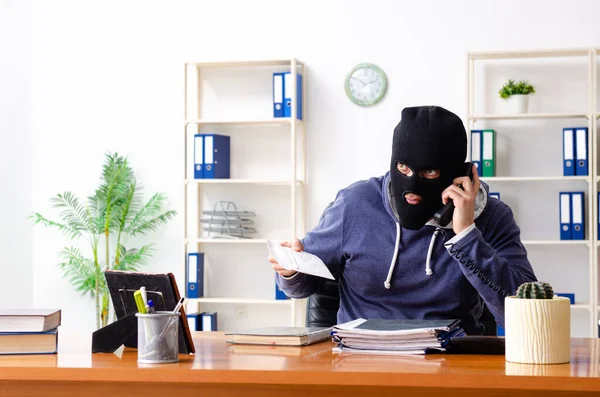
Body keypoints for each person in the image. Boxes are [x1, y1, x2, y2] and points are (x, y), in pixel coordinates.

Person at [269, 105, 537, 335]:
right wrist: (291, 270)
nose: (411, 183)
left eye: (429, 172)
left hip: (451, 361)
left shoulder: (491, 216)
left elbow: (525, 316)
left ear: (461, 174)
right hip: (363, 360)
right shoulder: (355, 204)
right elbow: (302, 286)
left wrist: (466, 234)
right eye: (402, 168)